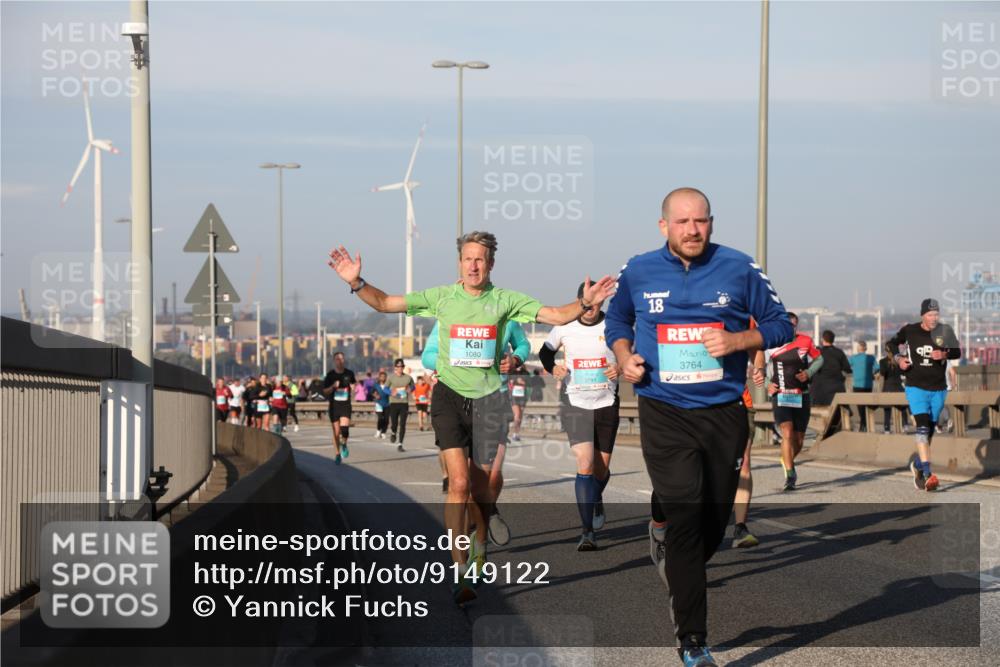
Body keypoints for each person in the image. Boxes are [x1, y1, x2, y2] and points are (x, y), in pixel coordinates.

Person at [327, 231, 615, 605]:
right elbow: (384, 303)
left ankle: (480, 545)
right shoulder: (442, 297)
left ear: (490, 264)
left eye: (480, 259)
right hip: (448, 397)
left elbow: (557, 315)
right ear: (459, 263)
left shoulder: (505, 301)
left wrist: (583, 302)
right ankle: (460, 569)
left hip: (490, 400)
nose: (474, 265)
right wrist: (356, 282)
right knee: (458, 484)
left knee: (484, 487)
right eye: (468, 258)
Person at [604, 187, 792, 666]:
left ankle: (663, 521)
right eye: (683, 222)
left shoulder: (740, 267)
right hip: (663, 407)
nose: (693, 230)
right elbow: (617, 321)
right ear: (663, 225)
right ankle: (693, 641)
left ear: (712, 223)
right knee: (691, 515)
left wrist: (739, 340)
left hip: (724, 410)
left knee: (711, 521)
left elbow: (779, 326)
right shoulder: (639, 269)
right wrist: (625, 358)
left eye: (701, 221)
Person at [422, 318, 530, 545]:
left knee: (493, 475)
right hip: (459, 401)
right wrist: (449, 365)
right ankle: (479, 525)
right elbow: (428, 355)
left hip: (495, 401)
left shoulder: (505, 317)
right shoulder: (449, 316)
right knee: (464, 482)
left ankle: (485, 513)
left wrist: (515, 358)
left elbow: (523, 344)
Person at [539, 281, 620, 551]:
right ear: (579, 301)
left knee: (601, 469)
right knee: (585, 464)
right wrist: (554, 369)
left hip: (606, 401)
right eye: (587, 302)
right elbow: (545, 352)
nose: (591, 308)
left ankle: (595, 499)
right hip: (575, 401)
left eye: (597, 303)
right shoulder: (564, 325)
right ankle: (587, 532)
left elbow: (632, 351)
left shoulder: (614, 325)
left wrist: (619, 366)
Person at [887, 298, 961, 492]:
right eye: (930, 315)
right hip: (915, 387)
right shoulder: (910, 330)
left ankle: (918, 466)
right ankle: (928, 473)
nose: (934, 318)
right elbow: (892, 343)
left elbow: (957, 351)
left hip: (938, 388)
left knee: (929, 431)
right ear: (922, 315)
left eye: (936, 314)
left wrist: (944, 355)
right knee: (921, 427)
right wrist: (899, 359)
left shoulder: (944, 331)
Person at [764, 312, 823, 491]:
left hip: (801, 395)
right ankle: (790, 474)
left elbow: (819, 359)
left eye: (794, 325)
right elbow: (759, 366)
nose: (792, 328)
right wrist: (768, 384)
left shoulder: (805, 341)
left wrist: (809, 373)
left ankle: (786, 458)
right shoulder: (771, 344)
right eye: (788, 324)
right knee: (787, 432)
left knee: (799, 440)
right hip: (781, 395)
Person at [322, 352, 357, 464]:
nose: (340, 361)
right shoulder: (330, 375)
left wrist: (353, 387)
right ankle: (337, 454)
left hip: (345, 405)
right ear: (334, 361)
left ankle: (344, 444)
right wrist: (333, 387)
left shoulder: (349, 373)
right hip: (334, 406)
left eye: (342, 358)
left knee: (345, 430)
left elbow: (353, 384)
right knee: (336, 432)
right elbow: (324, 391)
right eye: (338, 359)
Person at [849, 341, 878, 431]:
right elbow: (877, 368)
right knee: (867, 405)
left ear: (858, 348)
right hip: (868, 385)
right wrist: (872, 374)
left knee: (860, 406)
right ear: (865, 348)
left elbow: (846, 367)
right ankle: (864, 424)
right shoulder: (871, 358)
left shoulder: (853, 358)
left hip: (857, 385)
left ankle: (863, 424)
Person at [878, 345, 908, 433]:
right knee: (902, 407)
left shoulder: (883, 361)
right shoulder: (899, 360)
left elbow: (883, 373)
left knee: (887, 409)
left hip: (888, 386)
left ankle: (887, 428)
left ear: (886, 351)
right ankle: (905, 426)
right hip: (899, 386)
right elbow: (904, 372)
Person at [387, 359, 414, 451]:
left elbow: (413, 386)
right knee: (394, 423)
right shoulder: (391, 378)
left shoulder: (408, 378)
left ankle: (400, 444)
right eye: (398, 366)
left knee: (403, 424)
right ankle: (393, 432)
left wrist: (410, 389)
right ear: (395, 367)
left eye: (402, 366)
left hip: (404, 403)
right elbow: (385, 389)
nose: (400, 368)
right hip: (394, 403)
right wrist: (391, 393)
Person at [373, 371, 391, 438]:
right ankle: (378, 430)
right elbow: (372, 391)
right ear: (379, 377)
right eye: (382, 377)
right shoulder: (376, 385)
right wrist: (375, 395)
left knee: (386, 419)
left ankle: (383, 432)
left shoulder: (388, 385)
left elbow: (391, 392)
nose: (383, 378)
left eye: (384, 377)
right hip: (379, 403)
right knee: (380, 418)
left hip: (387, 403)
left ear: (386, 378)